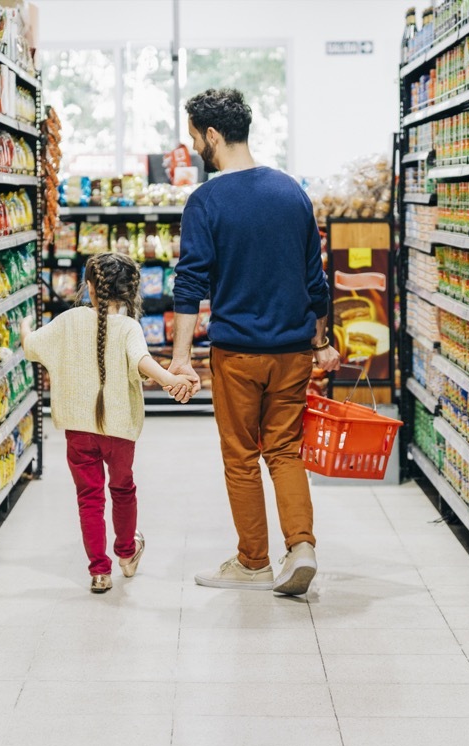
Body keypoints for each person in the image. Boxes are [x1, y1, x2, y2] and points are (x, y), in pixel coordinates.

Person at [168, 88, 340, 597]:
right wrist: (322, 339)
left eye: (196, 135)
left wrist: (181, 358)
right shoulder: (291, 191)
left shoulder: (206, 201)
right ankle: (302, 547)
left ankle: (253, 562)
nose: (195, 144)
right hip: (292, 353)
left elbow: (190, 283)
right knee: (285, 450)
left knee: (241, 456)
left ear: (213, 135)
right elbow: (317, 281)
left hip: (238, 353)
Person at [21, 253, 194, 593]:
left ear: (89, 287)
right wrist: (171, 382)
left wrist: (25, 327)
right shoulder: (129, 327)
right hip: (119, 431)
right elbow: (142, 362)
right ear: (132, 290)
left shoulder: (69, 321)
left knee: (89, 498)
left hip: (78, 431)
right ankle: (127, 555)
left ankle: (99, 571)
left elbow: (32, 347)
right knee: (122, 489)